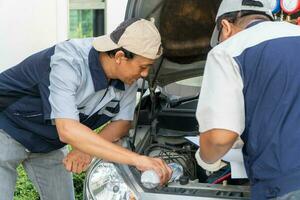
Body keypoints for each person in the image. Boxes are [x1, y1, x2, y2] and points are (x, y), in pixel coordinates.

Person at [0, 18, 172, 200]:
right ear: (120, 57)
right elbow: (68, 130)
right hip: (7, 128)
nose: (145, 74)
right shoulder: (68, 61)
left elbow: (122, 124)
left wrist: (86, 149)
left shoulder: (127, 78)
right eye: (143, 67)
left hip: (48, 143)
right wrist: (138, 160)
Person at [195, 0, 300, 199]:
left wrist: (205, 158)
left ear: (225, 27)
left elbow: (218, 138)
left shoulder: (228, 50)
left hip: (285, 185)